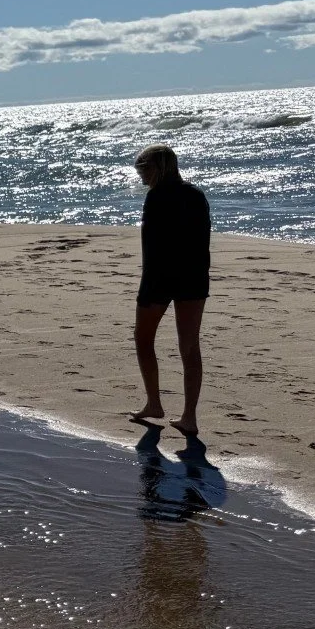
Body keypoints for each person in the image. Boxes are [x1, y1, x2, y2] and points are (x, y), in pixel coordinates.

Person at [129, 143, 210, 438]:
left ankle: (154, 402)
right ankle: (189, 417)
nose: (141, 177)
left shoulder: (156, 197)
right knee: (190, 345)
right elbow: (202, 241)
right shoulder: (196, 195)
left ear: (159, 168)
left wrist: (147, 285)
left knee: (143, 337)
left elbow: (151, 247)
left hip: (160, 278)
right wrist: (201, 276)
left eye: (144, 170)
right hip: (194, 277)